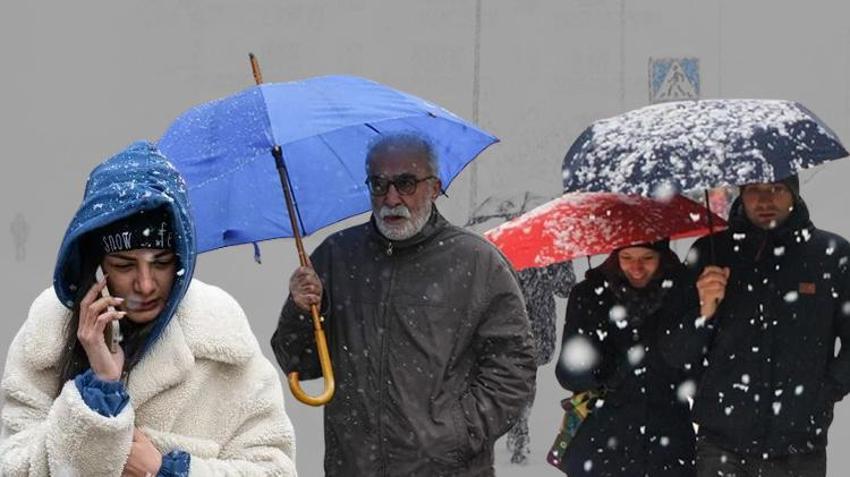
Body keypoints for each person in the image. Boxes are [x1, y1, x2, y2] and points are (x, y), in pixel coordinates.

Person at [0, 142, 297, 476]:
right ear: (97, 262)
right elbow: (14, 469)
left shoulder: (222, 339)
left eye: (161, 263)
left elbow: (277, 471)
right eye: (125, 265)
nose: (145, 284)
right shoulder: (47, 336)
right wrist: (98, 390)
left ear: (181, 259)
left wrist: (167, 470)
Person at [271, 132, 536, 477]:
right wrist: (302, 312)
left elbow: (514, 366)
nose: (391, 198)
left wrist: (456, 433)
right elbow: (299, 361)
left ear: (435, 186)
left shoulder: (476, 261)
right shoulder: (336, 257)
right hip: (353, 468)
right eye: (378, 184)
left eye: (406, 183)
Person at [661, 176, 850, 477]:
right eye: (753, 190)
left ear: (794, 194)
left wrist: (826, 391)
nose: (764, 200)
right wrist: (703, 312)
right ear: (741, 193)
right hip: (721, 444)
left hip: (799, 446)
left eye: (776, 189)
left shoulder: (831, 255)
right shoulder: (711, 252)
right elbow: (675, 353)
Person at [555, 241, 697, 477]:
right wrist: (593, 362)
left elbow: (694, 370)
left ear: (663, 258)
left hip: (668, 448)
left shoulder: (683, 295)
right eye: (627, 257)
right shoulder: (589, 296)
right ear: (614, 257)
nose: (637, 268)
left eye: (647, 258)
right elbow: (568, 376)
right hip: (601, 446)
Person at [506, 262, 576, 464]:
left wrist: (550, 270)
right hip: (509, 320)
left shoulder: (551, 252)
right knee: (515, 377)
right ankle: (517, 426)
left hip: (538, 324)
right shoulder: (505, 249)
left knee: (527, 376)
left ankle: (519, 425)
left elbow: (565, 289)